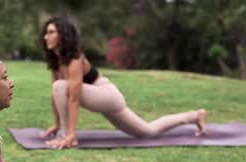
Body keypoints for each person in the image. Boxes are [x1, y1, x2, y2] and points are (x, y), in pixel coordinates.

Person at [39, 17, 207, 149]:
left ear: (64, 35)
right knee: (147, 131)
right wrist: (55, 124)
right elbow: (56, 96)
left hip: (107, 94)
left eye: (51, 32)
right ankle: (194, 116)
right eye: (46, 32)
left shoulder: (75, 59)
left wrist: (71, 134)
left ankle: (68, 136)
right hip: (98, 97)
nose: (46, 37)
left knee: (60, 86)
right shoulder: (56, 60)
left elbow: (73, 98)